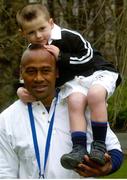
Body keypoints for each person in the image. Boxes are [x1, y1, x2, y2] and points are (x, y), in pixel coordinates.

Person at [16, 3, 122, 169]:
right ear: (23, 33)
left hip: (96, 72)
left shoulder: (68, 36)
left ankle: (99, 146)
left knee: (94, 95)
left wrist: (61, 57)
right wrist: (21, 89)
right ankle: (78, 148)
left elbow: (89, 57)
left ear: (51, 23)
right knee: (75, 101)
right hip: (74, 82)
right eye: (31, 32)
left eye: (42, 28)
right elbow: (26, 71)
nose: (38, 35)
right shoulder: (32, 50)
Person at [0, 45, 123, 178]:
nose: (39, 78)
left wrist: (108, 168)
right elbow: (5, 172)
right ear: (21, 73)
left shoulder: (79, 106)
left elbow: (115, 149)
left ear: (57, 72)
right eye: (31, 71)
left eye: (46, 70)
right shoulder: (7, 119)